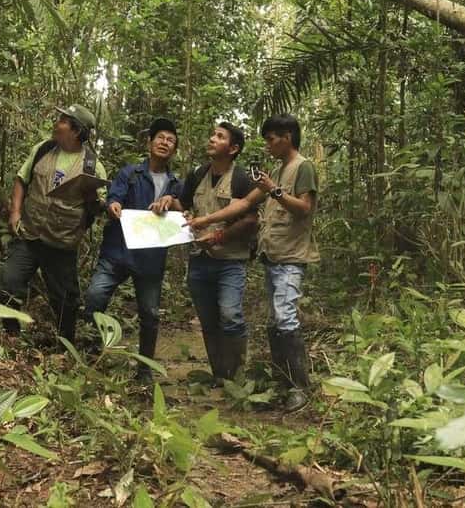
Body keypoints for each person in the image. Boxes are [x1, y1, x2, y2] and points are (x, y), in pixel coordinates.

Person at [188, 114, 318, 411]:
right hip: (273, 255)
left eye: (271, 139)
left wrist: (274, 190)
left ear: (286, 137)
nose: (268, 145)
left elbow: (304, 208)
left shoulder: (303, 167)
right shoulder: (277, 169)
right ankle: (281, 381)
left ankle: (299, 387)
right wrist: (206, 220)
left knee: (285, 318)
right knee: (275, 321)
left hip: (291, 257)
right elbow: (245, 203)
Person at [155, 122, 258, 386]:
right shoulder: (198, 174)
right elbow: (184, 206)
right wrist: (169, 199)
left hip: (230, 261)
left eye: (220, 137)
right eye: (212, 134)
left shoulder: (241, 178)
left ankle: (236, 378)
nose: (212, 139)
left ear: (233, 148)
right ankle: (218, 375)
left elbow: (250, 221)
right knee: (208, 320)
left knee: (230, 315)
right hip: (199, 260)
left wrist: (219, 236)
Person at [0, 104, 107, 346]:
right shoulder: (43, 149)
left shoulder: (92, 166)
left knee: (66, 300)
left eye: (63, 121)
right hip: (30, 234)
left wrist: (92, 197)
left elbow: (97, 209)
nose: (56, 123)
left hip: (61, 242)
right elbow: (21, 179)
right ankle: (11, 337)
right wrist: (15, 212)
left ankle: (64, 346)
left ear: (76, 131)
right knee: (8, 282)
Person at [84, 118, 182, 383]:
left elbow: (184, 214)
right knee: (94, 297)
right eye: (160, 137)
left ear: (174, 150)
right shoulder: (130, 173)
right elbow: (114, 197)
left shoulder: (175, 183)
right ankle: (93, 353)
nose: (164, 143)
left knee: (149, 314)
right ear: (150, 143)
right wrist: (113, 205)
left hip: (150, 258)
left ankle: (144, 370)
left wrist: (172, 202)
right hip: (118, 251)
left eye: (170, 140)